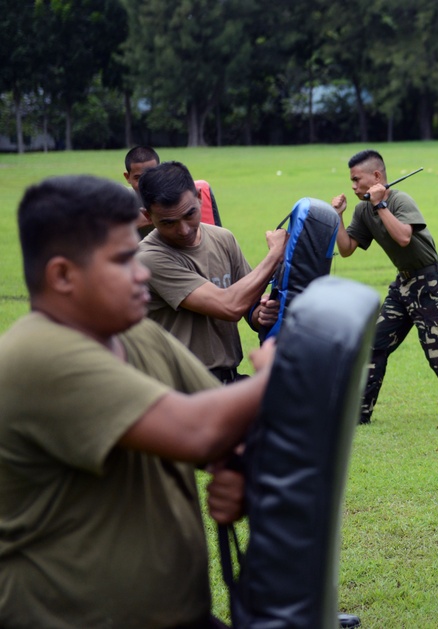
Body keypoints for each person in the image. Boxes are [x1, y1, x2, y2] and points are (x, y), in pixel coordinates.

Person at [0, 174, 272, 628]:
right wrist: (284, 370)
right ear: (63, 275)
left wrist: (241, 469)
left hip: (180, 615)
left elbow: (225, 432)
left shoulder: (138, 332)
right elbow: (198, 431)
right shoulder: (37, 356)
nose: (143, 271)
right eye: (124, 260)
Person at [332, 149, 438, 424]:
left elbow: (403, 237)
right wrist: (339, 217)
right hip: (402, 285)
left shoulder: (400, 200)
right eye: (351, 181)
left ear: (376, 176)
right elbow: (346, 249)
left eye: (357, 179)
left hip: (429, 284)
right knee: (373, 345)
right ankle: (360, 412)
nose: (353, 186)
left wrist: (381, 206)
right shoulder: (362, 209)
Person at [137, 161, 287, 383]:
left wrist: (261, 314)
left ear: (199, 197)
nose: (184, 229)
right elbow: (231, 305)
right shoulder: (149, 258)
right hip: (180, 389)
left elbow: (249, 305)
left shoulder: (222, 238)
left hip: (226, 378)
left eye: (190, 214)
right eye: (168, 223)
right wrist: (275, 254)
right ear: (148, 217)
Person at [123, 145, 160, 238]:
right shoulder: (119, 201)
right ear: (128, 177)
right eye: (138, 178)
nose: (145, 183)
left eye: (151, 176)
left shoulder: (174, 197)